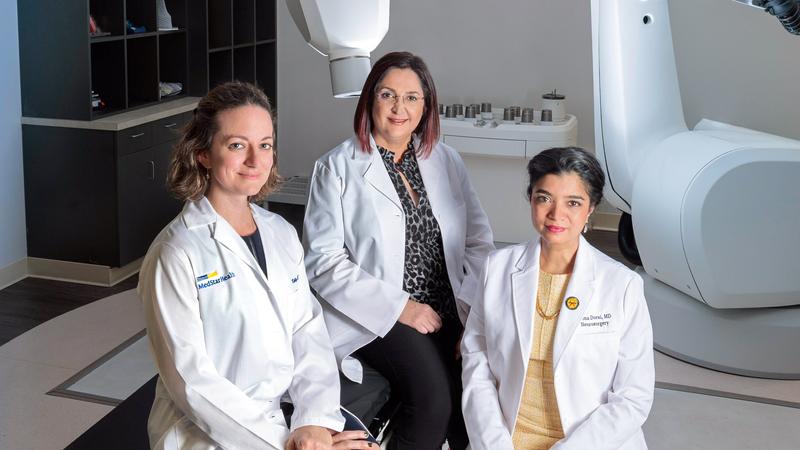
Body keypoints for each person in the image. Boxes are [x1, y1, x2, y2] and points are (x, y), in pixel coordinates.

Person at [138, 81, 372, 450]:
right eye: (236, 145)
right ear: (202, 153)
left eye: (264, 145)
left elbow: (306, 330)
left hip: (280, 418)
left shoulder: (280, 233)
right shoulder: (177, 252)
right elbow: (192, 382)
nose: (255, 160)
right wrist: (286, 444)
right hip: (206, 434)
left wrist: (313, 422)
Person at [303, 51, 495, 450]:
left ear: (426, 107)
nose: (399, 108)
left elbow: (479, 241)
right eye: (388, 95)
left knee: (477, 396)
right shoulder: (337, 168)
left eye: (411, 98)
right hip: (379, 314)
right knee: (433, 401)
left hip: (449, 306)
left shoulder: (446, 161)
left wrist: (472, 313)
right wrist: (401, 307)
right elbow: (322, 262)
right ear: (370, 99)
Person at [461, 147, 655, 450]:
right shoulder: (496, 268)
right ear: (531, 198)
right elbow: (477, 363)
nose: (556, 214)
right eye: (544, 198)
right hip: (505, 441)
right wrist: (494, 444)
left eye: (573, 202)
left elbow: (633, 397)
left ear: (591, 208)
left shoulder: (622, 285)